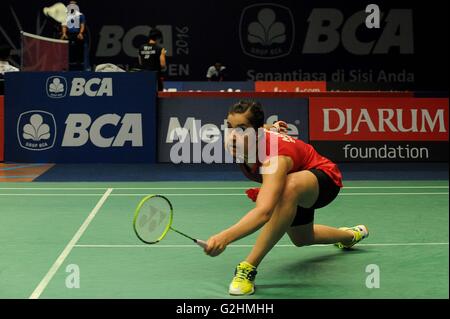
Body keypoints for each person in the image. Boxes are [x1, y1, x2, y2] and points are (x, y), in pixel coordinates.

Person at [204, 100, 369, 295]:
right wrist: (271, 127)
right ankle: (350, 236)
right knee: (303, 238)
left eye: (241, 129)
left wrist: (224, 237)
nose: (233, 136)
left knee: (287, 188)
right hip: (298, 180)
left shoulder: (274, 159)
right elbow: (261, 128)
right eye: (229, 128)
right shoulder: (250, 140)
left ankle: (248, 267)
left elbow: (264, 212)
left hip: (324, 180)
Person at [61, 1, 86, 70]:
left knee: (80, 43)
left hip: (77, 34)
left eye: (74, 4)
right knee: (63, 44)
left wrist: (80, 33)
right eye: (71, 4)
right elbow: (64, 26)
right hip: (69, 34)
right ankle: (64, 62)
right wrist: (64, 34)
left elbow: (82, 25)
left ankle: (79, 62)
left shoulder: (81, 15)